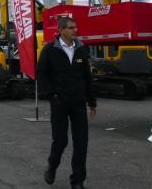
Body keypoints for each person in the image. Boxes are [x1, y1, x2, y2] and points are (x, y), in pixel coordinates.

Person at [37, 16, 96, 189]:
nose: (75, 30)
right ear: (61, 30)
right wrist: (51, 96)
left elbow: (87, 77)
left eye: (76, 27)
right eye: (71, 27)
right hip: (59, 102)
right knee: (61, 141)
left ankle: (77, 180)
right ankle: (52, 166)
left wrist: (92, 102)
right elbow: (41, 74)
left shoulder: (81, 49)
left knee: (81, 143)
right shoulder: (50, 50)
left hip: (78, 103)